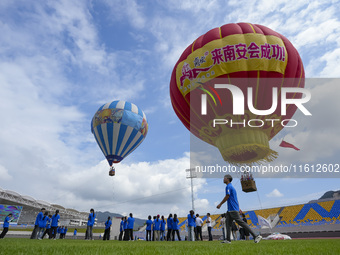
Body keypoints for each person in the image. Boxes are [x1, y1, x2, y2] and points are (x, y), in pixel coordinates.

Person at [216, 174, 262, 244]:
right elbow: (235, 199)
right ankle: (228, 240)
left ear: (228, 179)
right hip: (231, 210)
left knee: (241, 223)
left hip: (232, 210)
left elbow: (227, 196)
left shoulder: (228, 186)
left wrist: (220, 204)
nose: (223, 179)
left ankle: (255, 236)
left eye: (224, 178)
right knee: (228, 224)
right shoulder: (232, 187)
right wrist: (239, 208)